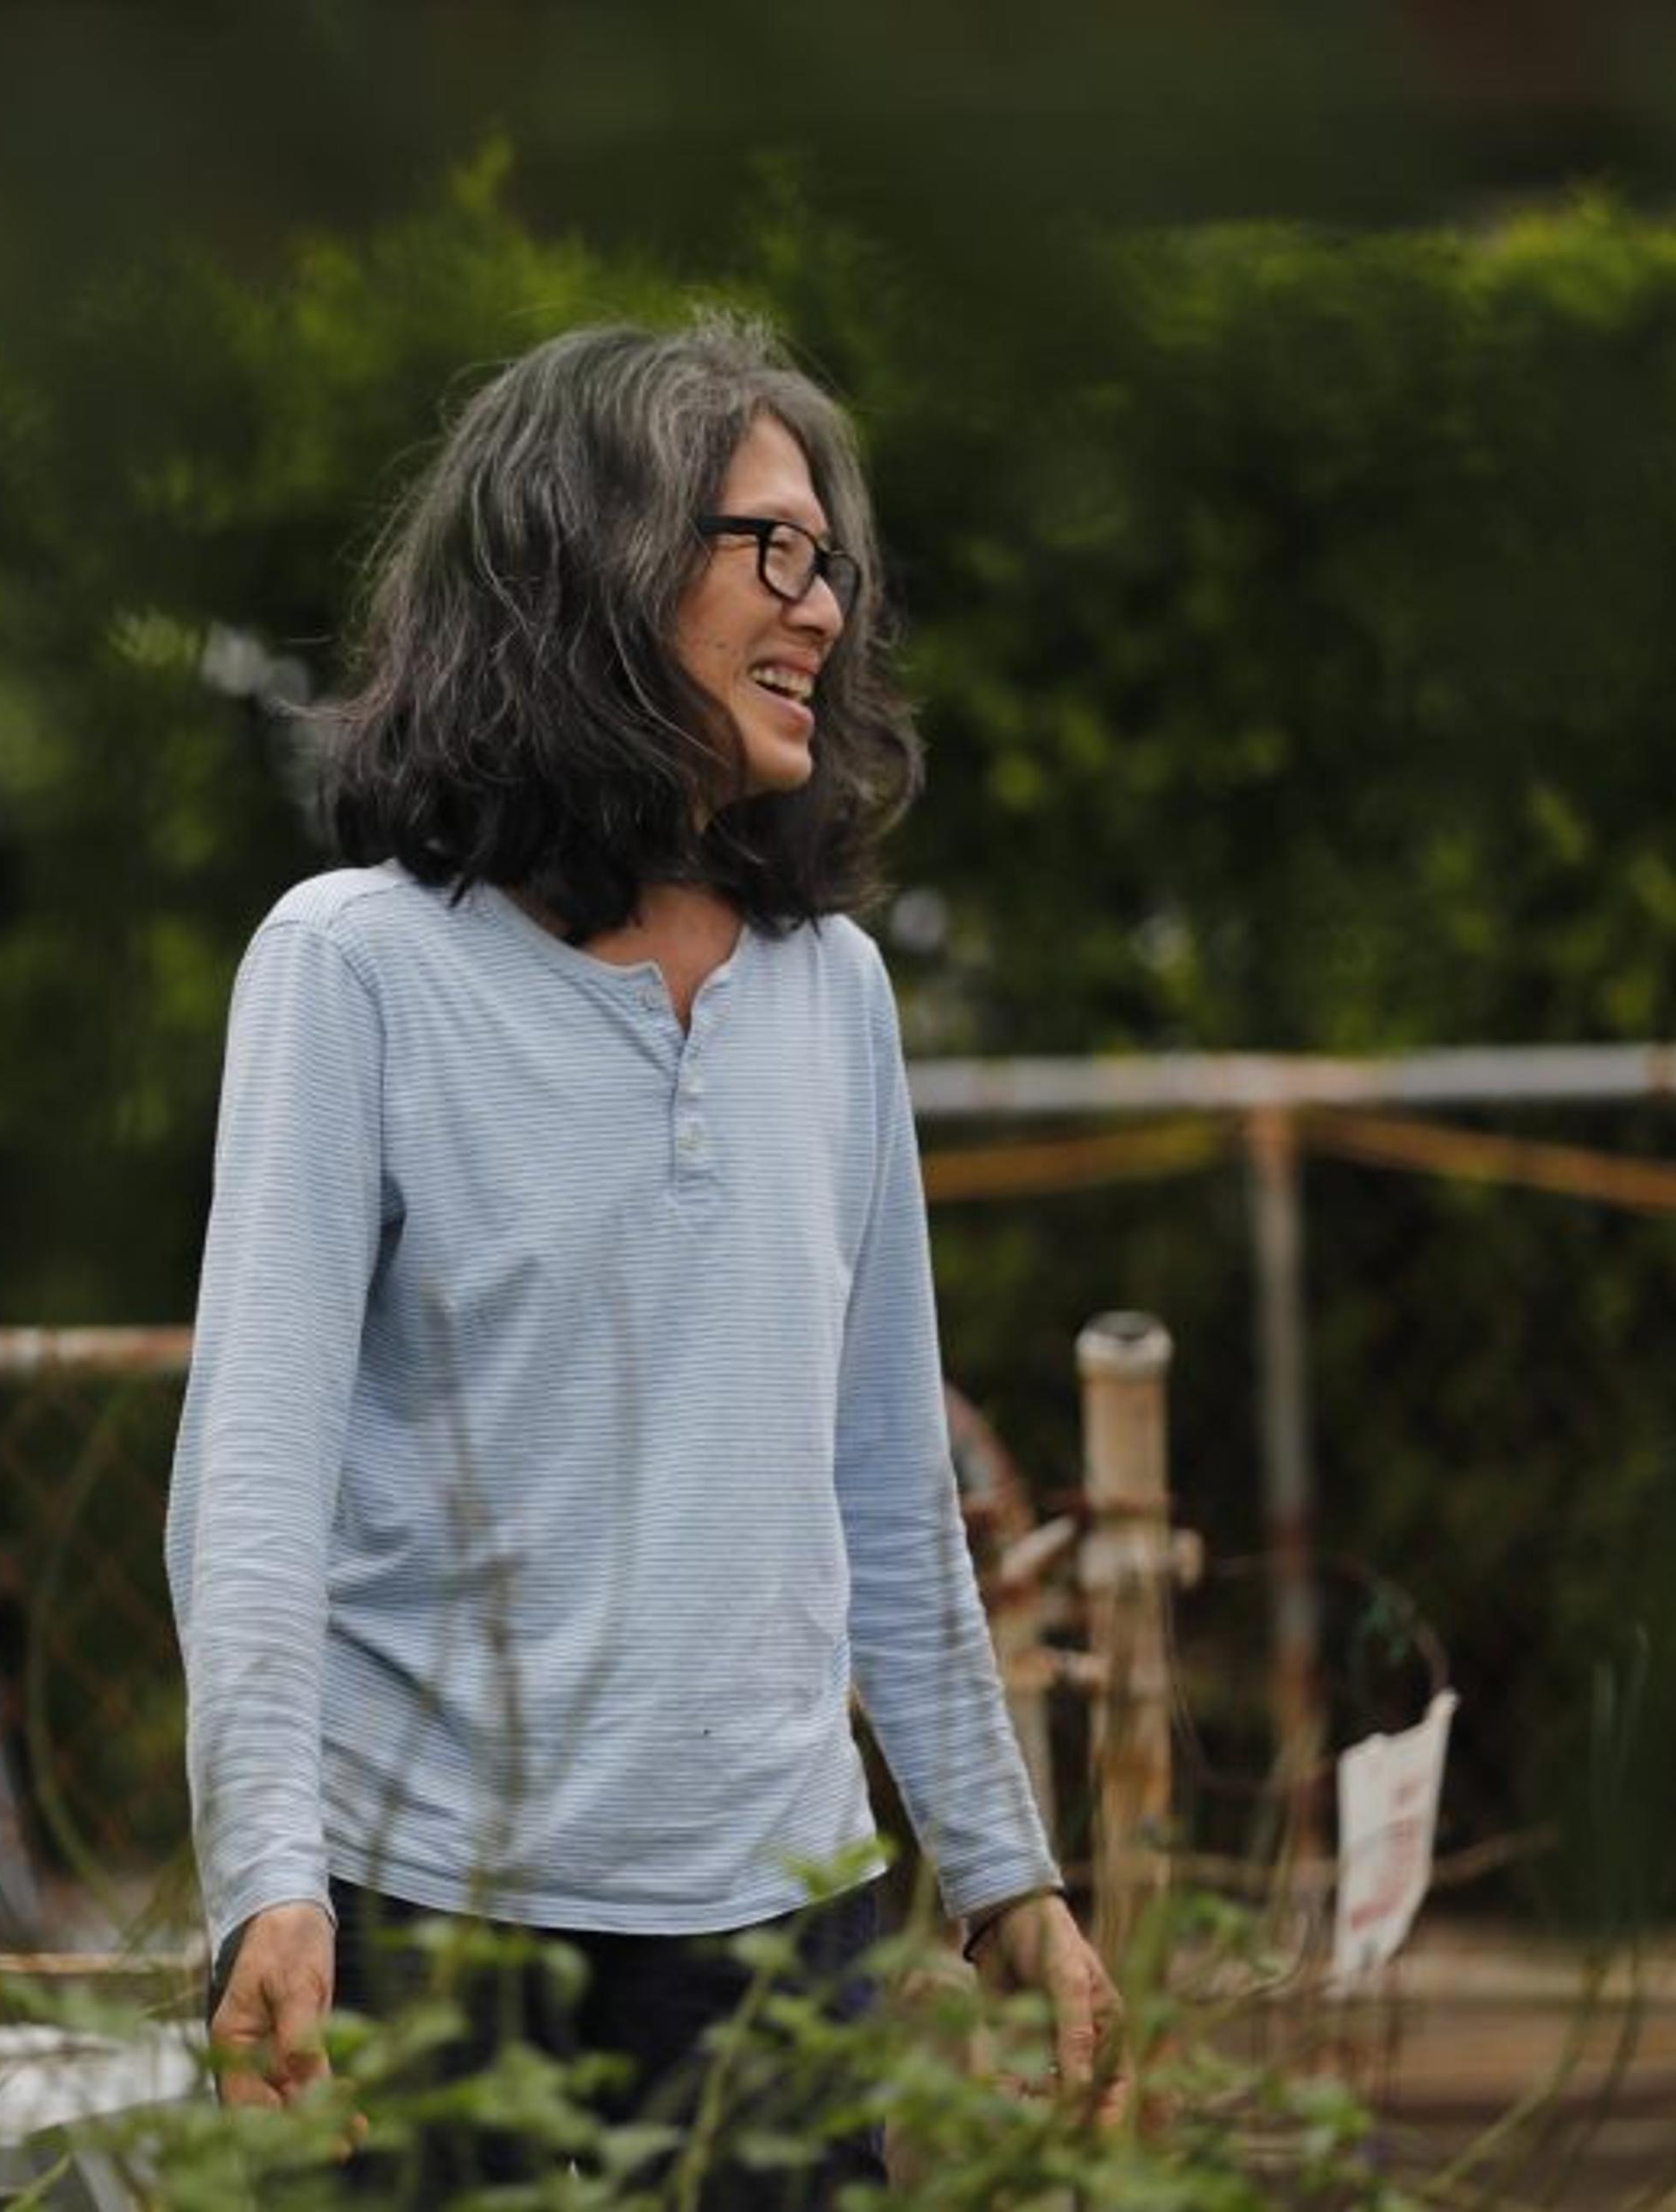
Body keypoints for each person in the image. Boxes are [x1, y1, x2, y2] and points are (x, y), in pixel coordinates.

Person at [162, 314, 1122, 2205]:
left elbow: (886, 1483)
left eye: (831, 558)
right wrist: (264, 1873)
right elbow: (250, 1478)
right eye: (766, 545)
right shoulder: (357, 967)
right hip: (437, 1921)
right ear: (585, 568)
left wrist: (1005, 1868)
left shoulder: (830, 997)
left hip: (784, 1933)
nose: (822, 606)